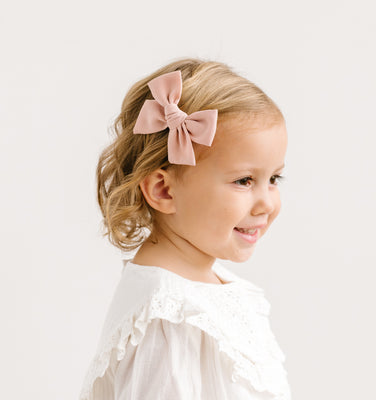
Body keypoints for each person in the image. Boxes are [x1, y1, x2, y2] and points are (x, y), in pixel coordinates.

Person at [79, 58, 292, 400]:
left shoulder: (201, 291)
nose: (267, 203)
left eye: (274, 179)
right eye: (244, 180)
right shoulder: (171, 319)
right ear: (164, 191)